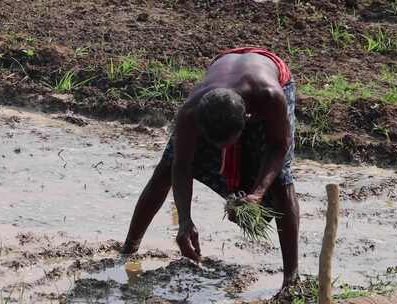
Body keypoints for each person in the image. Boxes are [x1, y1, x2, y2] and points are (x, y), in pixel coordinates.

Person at [121, 47, 299, 290]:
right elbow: (181, 165)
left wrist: (257, 194)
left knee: (281, 182)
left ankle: (291, 280)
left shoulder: (270, 97)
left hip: (269, 75)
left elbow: (278, 146)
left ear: (246, 120)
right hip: (224, 70)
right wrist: (184, 220)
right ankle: (128, 250)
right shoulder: (190, 113)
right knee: (165, 168)